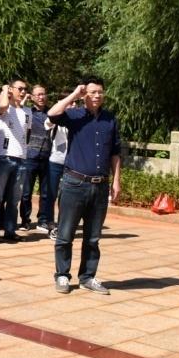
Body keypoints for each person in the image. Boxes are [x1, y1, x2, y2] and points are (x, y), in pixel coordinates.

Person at [49, 78, 121, 295]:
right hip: (74, 183)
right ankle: (62, 275)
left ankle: (87, 277)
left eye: (100, 92)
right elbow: (52, 114)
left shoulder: (110, 119)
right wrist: (74, 94)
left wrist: (116, 180)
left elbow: (115, 152)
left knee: (93, 237)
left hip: (100, 186)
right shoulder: (74, 116)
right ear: (84, 95)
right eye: (92, 92)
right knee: (65, 234)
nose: (97, 95)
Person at [0, 80, 30, 242]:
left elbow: (27, 134)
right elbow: (4, 105)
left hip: (21, 159)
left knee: (14, 199)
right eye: (20, 89)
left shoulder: (28, 111)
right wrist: (5, 89)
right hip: (4, 157)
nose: (23, 91)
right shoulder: (3, 107)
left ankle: (10, 231)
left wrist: (25, 153)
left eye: (25, 89)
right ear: (12, 90)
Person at [19, 85, 53, 233]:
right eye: (38, 94)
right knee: (26, 192)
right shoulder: (27, 112)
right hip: (30, 157)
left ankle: (43, 220)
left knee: (45, 193)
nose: (41, 97)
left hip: (47, 157)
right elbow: (17, 111)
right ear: (32, 97)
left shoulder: (52, 113)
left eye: (43, 94)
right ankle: (25, 220)